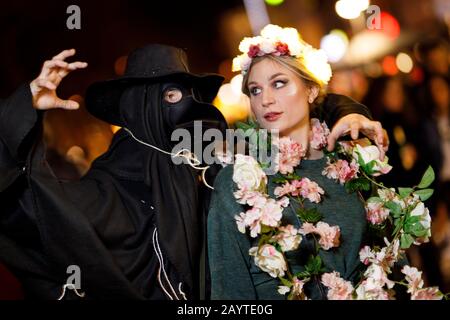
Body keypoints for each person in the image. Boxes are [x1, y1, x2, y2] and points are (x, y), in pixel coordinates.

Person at [0, 43, 386, 300]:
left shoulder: (206, 149)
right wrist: (22, 112)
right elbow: (37, 210)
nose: (181, 105)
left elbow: (294, 114)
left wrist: (349, 111)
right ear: (138, 104)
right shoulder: (112, 184)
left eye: (185, 95)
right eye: (168, 96)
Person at [207, 25, 399, 300]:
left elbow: (391, 256)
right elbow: (229, 291)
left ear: (310, 90)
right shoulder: (238, 180)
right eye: (255, 90)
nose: (266, 100)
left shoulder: (350, 160)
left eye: (279, 83)